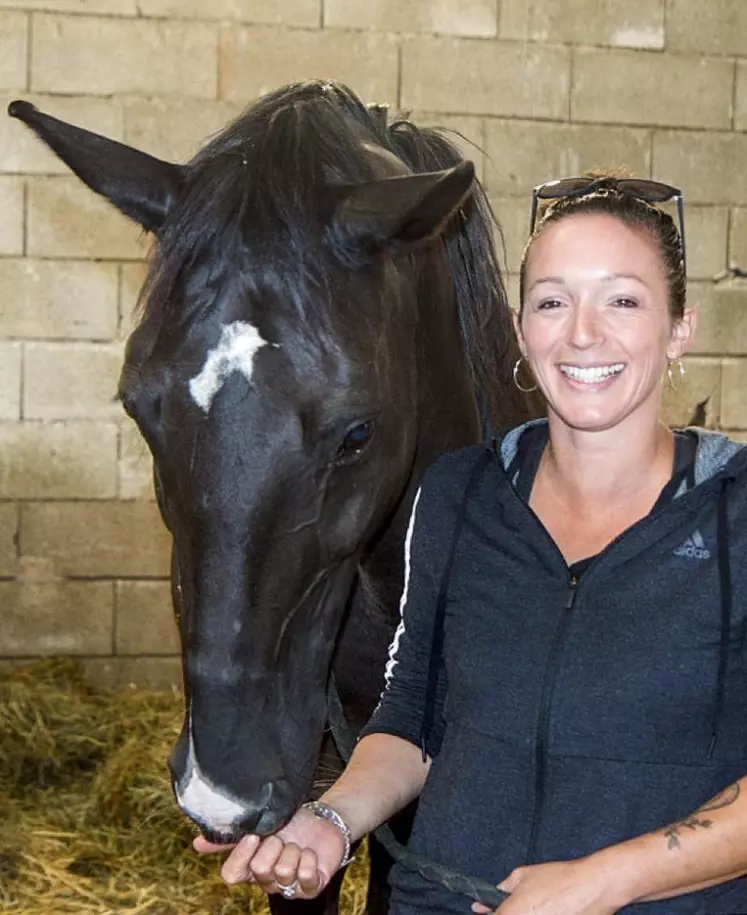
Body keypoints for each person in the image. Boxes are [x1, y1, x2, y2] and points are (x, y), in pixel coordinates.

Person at [194, 174, 747, 914]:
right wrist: (331, 821)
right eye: (552, 301)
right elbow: (415, 715)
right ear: (521, 327)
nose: (582, 332)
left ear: (680, 326)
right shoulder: (461, 491)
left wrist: (599, 882)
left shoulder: (732, 511)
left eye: (622, 299)